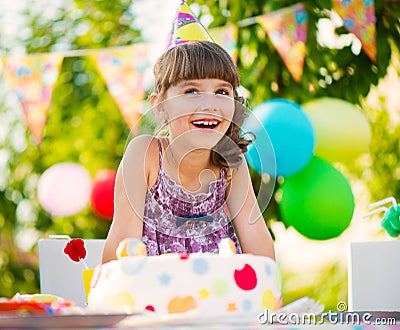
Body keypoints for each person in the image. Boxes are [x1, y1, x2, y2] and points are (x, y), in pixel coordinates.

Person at [102, 40, 275, 262]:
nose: (209, 105)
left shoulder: (230, 160)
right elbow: (122, 242)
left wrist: (268, 289)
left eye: (221, 91)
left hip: (219, 290)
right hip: (152, 289)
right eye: (192, 91)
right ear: (160, 106)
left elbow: (256, 236)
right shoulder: (145, 153)